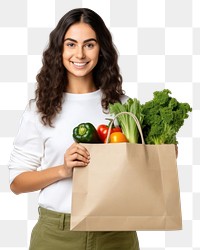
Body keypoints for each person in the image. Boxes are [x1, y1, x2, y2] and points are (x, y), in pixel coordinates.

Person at [8, 8, 140, 250]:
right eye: (71, 44)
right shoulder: (40, 109)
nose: (79, 54)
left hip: (116, 233)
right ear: (59, 49)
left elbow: (138, 173)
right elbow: (17, 182)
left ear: (102, 50)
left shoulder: (123, 108)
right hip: (57, 234)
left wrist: (161, 152)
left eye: (89, 45)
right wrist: (63, 170)